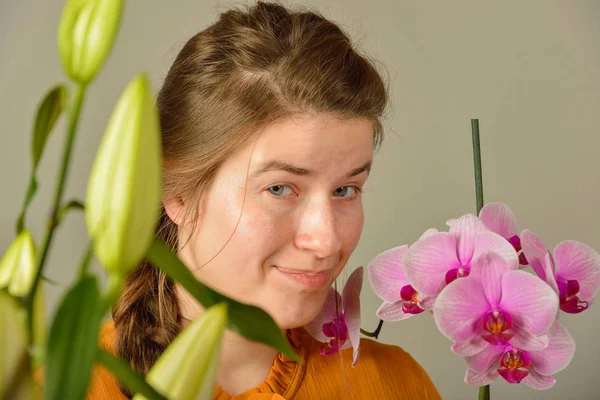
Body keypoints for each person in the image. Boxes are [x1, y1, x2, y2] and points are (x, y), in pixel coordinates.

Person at [89, 2, 441, 399]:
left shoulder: (397, 386)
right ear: (176, 192)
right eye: (279, 189)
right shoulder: (57, 387)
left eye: (346, 189)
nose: (326, 242)